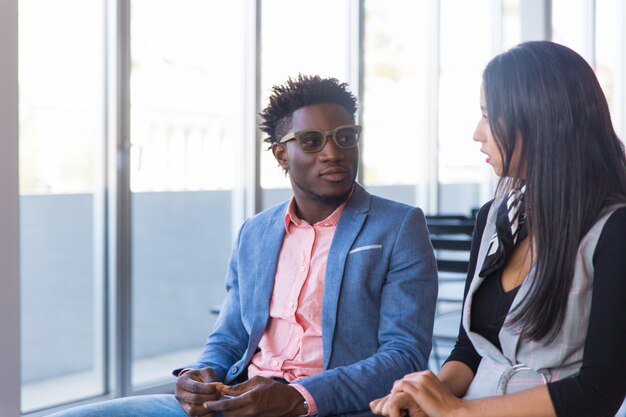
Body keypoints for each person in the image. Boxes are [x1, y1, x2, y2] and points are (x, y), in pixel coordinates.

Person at [48, 75, 438, 417]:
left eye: (345, 137)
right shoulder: (255, 232)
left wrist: (298, 398)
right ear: (282, 154)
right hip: (235, 399)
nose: (332, 152)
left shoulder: (398, 225)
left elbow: (403, 356)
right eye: (311, 140)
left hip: (325, 408)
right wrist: (199, 375)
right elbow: (231, 334)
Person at [370, 41, 626, 417]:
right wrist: (427, 395)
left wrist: (458, 412)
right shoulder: (495, 217)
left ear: (542, 120)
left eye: (489, 116)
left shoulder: (614, 230)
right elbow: (470, 348)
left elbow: (598, 391)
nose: (477, 133)